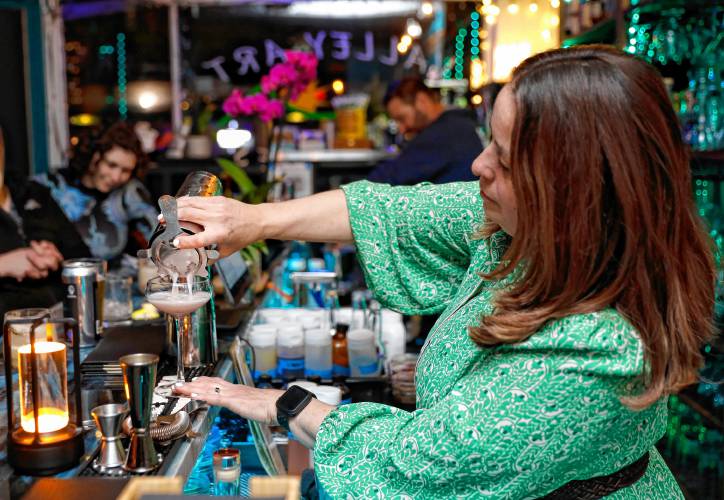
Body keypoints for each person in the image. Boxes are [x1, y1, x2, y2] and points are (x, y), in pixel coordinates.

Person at [172, 46, 714, 498]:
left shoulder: (593, 351)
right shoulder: (522, 229)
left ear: (570, 193)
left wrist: (287, 405)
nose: (478, 165)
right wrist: (252, 220)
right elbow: (391, 214)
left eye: (503, 157)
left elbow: (419, 464)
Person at [31, 122, 158, 267]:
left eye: (126, 171)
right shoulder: (50, 185)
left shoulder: (129, 190)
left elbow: (158, 234)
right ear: (93, 156)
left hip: (112, 281)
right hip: (58, 280)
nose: (116, 177)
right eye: (111, 165)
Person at [367, 77, 481, 185]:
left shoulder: (446, 132)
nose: (401, 129)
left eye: (401, 118)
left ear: (421, 101)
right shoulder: (458, 125)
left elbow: (388, 177)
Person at [0, 127, 64, 318]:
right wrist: (5, 265)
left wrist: (52, 255)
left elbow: (80, 253)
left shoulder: (33, 191)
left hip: (54, 320)